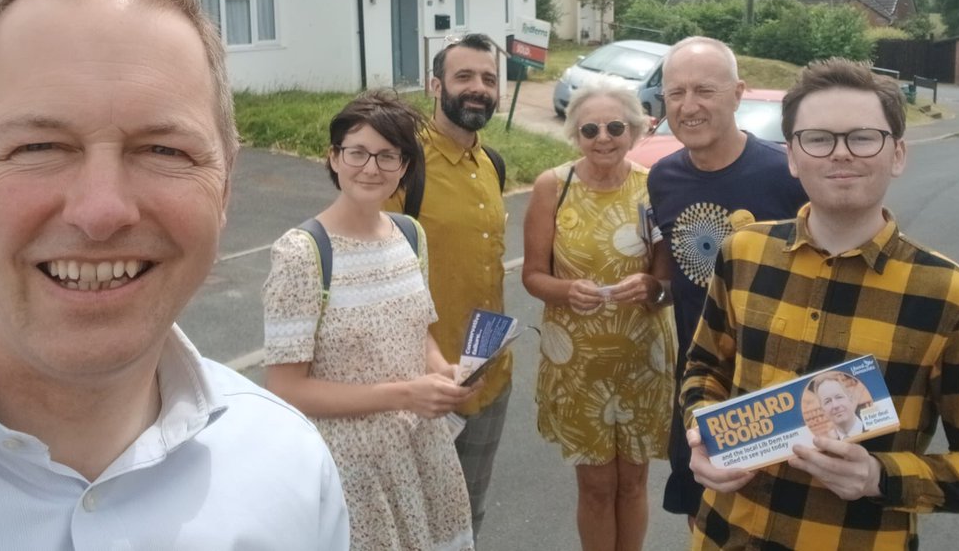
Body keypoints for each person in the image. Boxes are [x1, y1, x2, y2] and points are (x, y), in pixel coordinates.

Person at [0, 0, 349, 550]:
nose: (101, 212)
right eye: (38, 147)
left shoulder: (293, 470)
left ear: (224, 188)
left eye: (164, 150)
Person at [683, 58, 959, 549]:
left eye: (863, 137)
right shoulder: (743, 252)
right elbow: (703, 369)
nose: (840, 154)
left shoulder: (950, 296)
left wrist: (879, 477)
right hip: (724, 536)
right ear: (794, 157)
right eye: (818, 139)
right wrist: (701, 433)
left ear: (898, 154)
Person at [262, 91, 475, 551]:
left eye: (387, 155)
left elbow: (419, 335)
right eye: (357, 152)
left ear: (405, 165)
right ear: (333, 158)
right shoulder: (301, 253)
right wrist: (405, 394)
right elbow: (285, 389)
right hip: (349, 470)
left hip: (421, 454)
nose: (371, 168)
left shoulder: (409, 234)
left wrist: (443, 373)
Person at [646, 36, 807, 522]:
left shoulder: (788, 176)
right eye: (676, 93)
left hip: (774, 387)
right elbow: (676, 277)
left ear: (738, 94)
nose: (688, 106)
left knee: (773, 522)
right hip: (701, 386)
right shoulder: (662, 178)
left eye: (704, 91)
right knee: (705, 516)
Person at [523, 79, 674, 551]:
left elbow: (669, 286)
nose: (603, 137)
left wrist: (651, 286)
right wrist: (567, 290)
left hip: (641, 360)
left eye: (615, 126)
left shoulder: (655, 189)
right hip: (579, 363)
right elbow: (532, 276)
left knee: (632, 482)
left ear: (634, 129)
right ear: (576, 135)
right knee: (595, 486)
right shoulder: (554, 186)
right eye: (590, 129)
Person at [383, 33, 509, 538]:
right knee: (412, 523)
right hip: (421, 386)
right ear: (435, 85)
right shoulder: (401, 166)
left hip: (489, 376)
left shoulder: (492, 165)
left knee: (468, 516)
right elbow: (378, 280)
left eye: (488, 78)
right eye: (464, 77)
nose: (478, 88)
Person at [811, 373, 866, 440]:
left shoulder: (875, 427)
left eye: (839, 397)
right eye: (827, 401)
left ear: (850, 398)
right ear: (822, 410)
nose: (835, 405)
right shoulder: (828, 445)